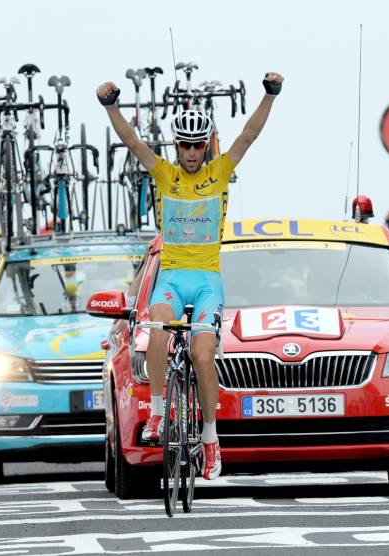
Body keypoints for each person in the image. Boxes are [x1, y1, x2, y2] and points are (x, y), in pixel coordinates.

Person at [96, 71, 284, 480]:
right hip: (171, 275)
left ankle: (212, 440)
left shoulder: (219, 172)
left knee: (201, 354)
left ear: (206, 145)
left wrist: (270, 95)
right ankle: (159, 416)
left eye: (199, 145)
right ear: (176, 145)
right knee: (158, 330)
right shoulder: (164, 174)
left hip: (207, 279)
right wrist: (111, 107)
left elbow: (248, 136)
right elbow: (131, 142)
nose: (193, 152)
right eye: (186, 145)